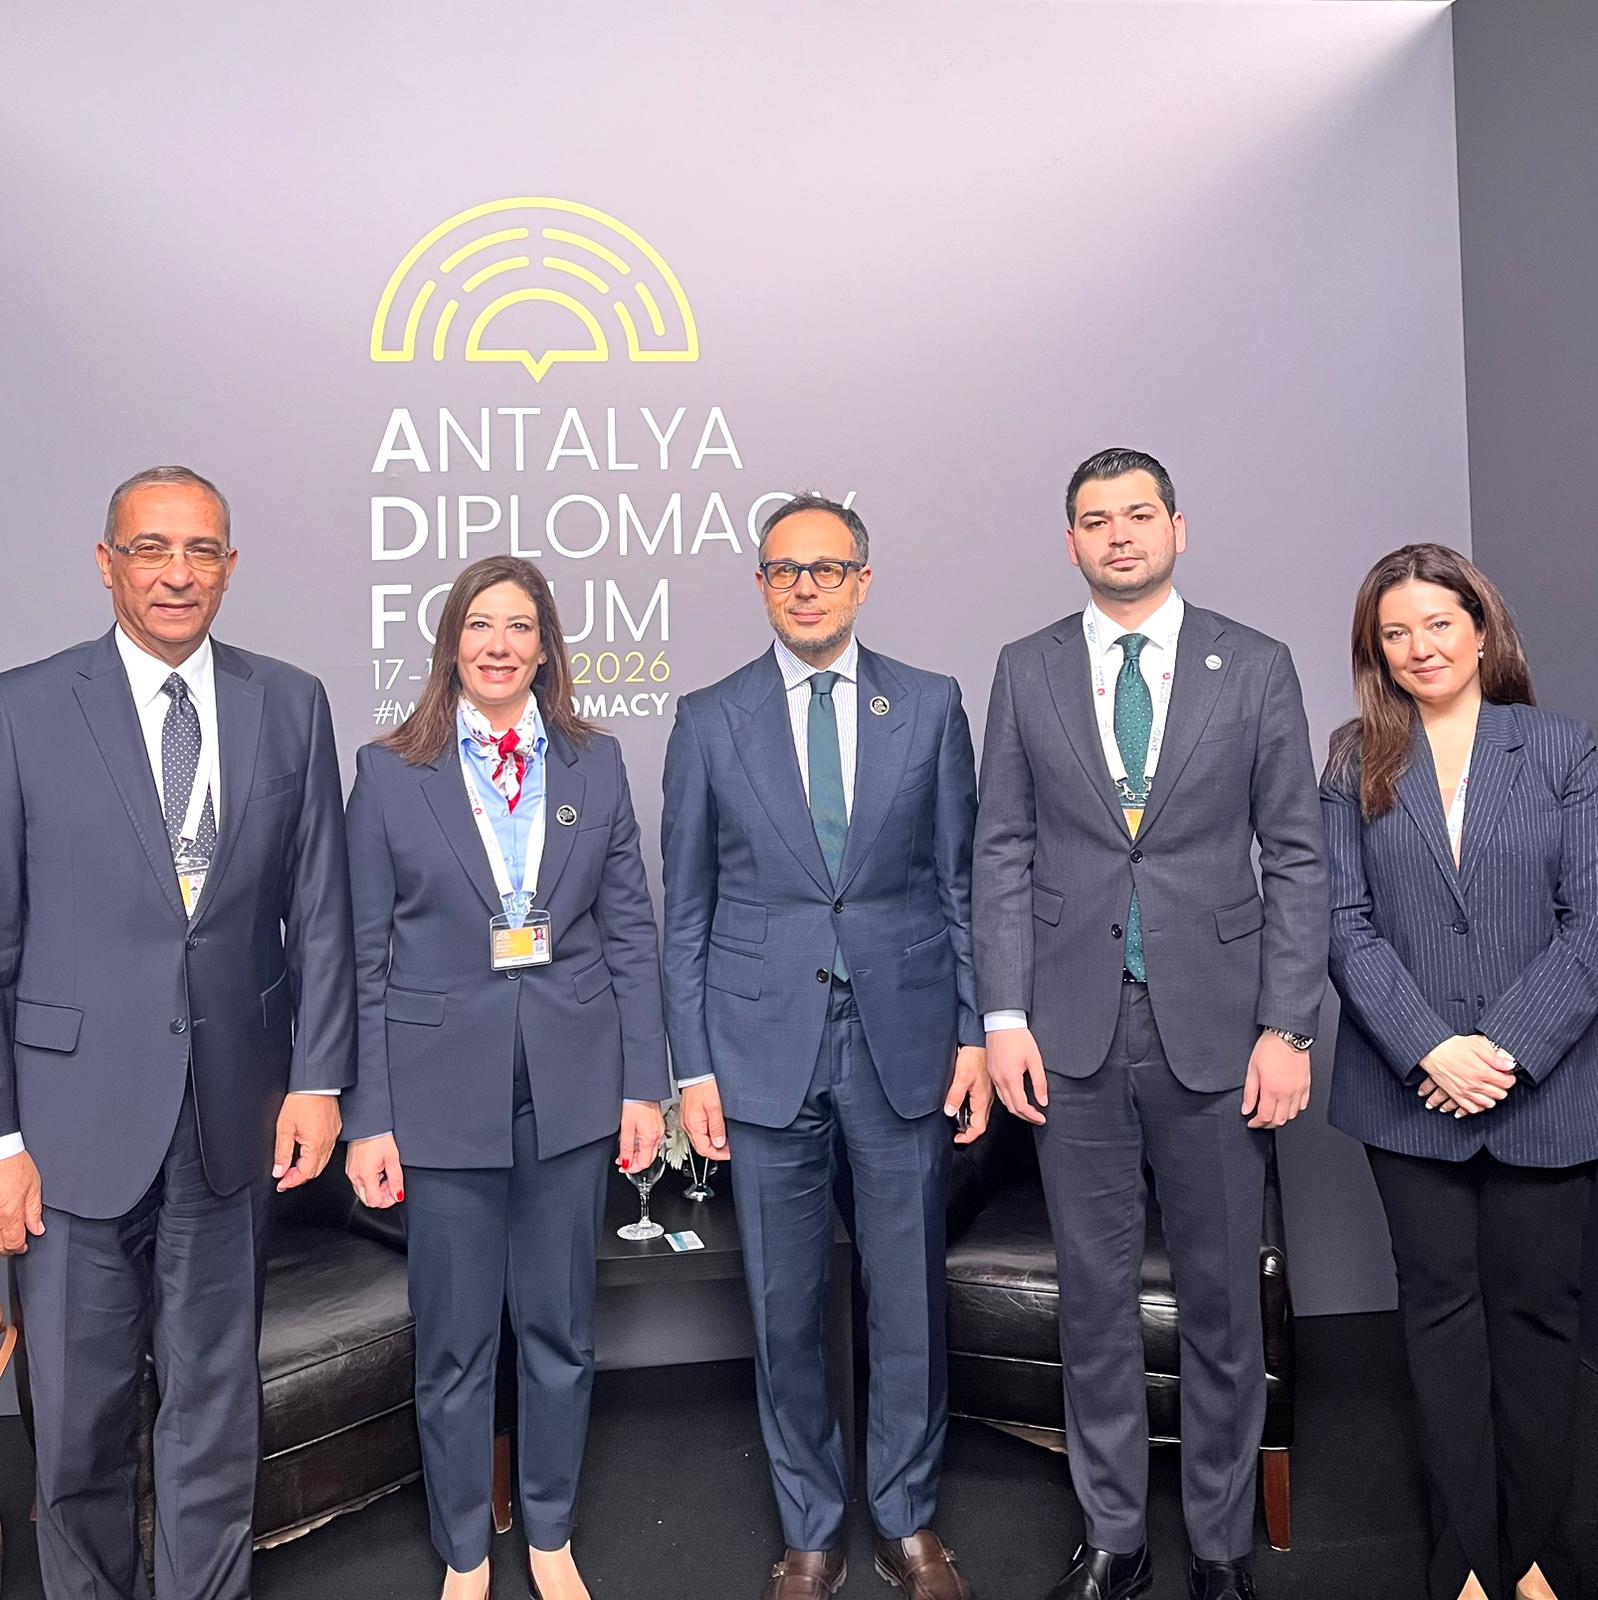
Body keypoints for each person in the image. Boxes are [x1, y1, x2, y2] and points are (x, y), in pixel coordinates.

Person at [973, 449, 1328, 1600]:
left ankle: (1218, 1548)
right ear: (1069, 542)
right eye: (1094, 519)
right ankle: (1113, 1538)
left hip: (1220, 1033)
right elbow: (1001, 848)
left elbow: (1296, 854)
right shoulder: (1025, 668)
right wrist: (1003, 1014)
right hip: (1068, 1033)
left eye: (1137, 514)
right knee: (1092, 1299)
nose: (1117, 533)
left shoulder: (1253, 664)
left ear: (1177, 528)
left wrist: (1287, 1026)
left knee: (1220, 1301)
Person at [0, 465, 355, 1600]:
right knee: (77, 1431)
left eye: (200, 550)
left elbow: (323, 912)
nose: (176, 573)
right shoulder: (21, 709)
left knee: (214, 1413)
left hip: (231, 1120)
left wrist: (319, 1081)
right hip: (66, 1134)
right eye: (150, 549)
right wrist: (2, 1142)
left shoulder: (289, 701)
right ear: (106, 563)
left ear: (231, 567)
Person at [661, 493, 992, 1600]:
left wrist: (971, 1033)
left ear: (862, 581)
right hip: (760, 1049)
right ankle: (810, 1528)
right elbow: (685, 913)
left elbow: (958, 885)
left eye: (827, 568)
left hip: (903, 1041)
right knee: (782, 1303)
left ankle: (907, 1519)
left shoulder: (930, 704)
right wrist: (693, 1067)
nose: (805, 587)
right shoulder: (709, 719)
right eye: (784, 570)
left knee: (907, 1301)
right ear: (761, 585)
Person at [342, 555, 668, 1600]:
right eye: (479, 624)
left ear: (545, 647)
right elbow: (362, 957)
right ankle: (465, 1552)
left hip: (569, 1093)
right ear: (450, 642)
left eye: (518, 626)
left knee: (560, 1334)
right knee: (453, 1346)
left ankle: (551, 1535)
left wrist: (643, 1088)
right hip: (437, 1100)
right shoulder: (388, 772)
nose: (497, 644)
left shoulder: (594, 764)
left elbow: (631, 932)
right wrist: (369, 1116)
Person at [1321, 544, 1597, 1600]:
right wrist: (1429, 1046)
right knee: (1437, 1321)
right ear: (1375, 651)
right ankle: (1470, 1559)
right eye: (1394, 632)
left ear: (1481, 631)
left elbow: (1589, 923)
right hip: (1411, 1094)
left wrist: (1506, 1049)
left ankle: (1532, 1553)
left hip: (1547, 1089)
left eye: (1437, 623)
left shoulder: (1562, 749)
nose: (1418, 647)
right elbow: (1343, 923)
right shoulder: (1353, 757)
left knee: (1537, 1321)